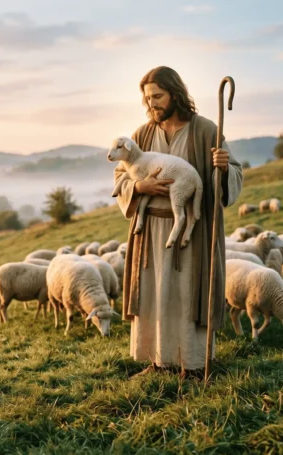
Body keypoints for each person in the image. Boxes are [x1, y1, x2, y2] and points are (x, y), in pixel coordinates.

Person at [114, 66, 243, 379]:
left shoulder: (205, 131)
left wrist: (224, 168)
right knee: (156, 294)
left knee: (186, 295)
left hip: (190, 233)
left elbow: (235, 176)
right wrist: (139, 187)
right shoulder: (141, 136)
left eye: (158, 96)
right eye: (148, 98)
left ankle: (193, 365)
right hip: (151, 234)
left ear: (176, 93)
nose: (152, 103)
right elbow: (120, 175)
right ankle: (159, 362)